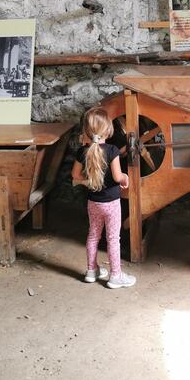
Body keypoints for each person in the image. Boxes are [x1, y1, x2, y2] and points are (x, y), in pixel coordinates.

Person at [71, 107, 136, 289]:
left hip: (93, 202)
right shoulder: (112, 150)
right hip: (112, 204)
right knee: (113, 238)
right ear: (108, 129)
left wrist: (89, 181)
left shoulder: (82, 152)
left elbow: (75, 176)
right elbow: (117, 177)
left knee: (93, 235)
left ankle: (91, 271)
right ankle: (115, 276)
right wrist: (125, 178)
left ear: (87, 130)